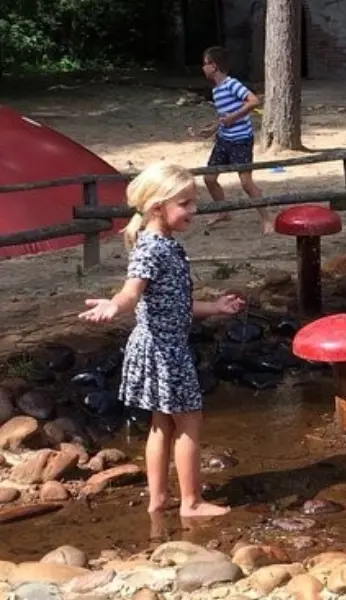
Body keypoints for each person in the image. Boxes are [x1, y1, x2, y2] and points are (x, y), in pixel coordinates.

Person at [78, 162, 244, 518]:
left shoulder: (160, 242)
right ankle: (191, 502)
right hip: (164, 350)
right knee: (189, 421)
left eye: (193, 202)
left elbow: (175, 304)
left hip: (156, 345)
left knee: (162, 422)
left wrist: (215, 307)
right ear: (157, 207)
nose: (194, 211)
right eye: (185, 203)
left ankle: (158, 499)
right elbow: (131, 292)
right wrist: (114, 305)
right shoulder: (153, 248)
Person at [196, 46, 273, 233]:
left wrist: (234, 117)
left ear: (214, 66)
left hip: (241, 140)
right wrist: (213, 128)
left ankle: (266, 220)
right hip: (224, 140)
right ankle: (223, 211)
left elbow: (254, 101)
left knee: (246, 183)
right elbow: (225, 116)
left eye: (205, 64)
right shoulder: (216, 91)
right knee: (209, 178)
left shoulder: (232, 84)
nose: (203, 68)